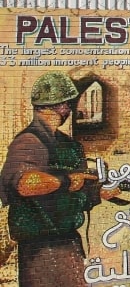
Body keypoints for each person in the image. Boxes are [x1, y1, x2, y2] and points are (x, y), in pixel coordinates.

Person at [0, 72, 101, 287]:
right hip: (41, 248)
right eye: (68, 103)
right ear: (62, 106)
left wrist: (101, 192)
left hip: (67, 242)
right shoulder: (28, 141)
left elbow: (78, 189)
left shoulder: (67, 144)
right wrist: (65, 181)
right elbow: (24, 183)